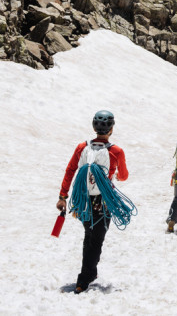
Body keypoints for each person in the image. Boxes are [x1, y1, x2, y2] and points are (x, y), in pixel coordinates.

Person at [56, 110, 129, 294]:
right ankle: (84, 279)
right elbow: (124, 175)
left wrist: (63, 196)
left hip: (83, 201)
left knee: (89, 235)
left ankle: (90, 273)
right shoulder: (116, 151)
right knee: (96, 240)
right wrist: (118, 176)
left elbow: (70, 170)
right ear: (111, 130)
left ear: (93, 127)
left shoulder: (82, 147)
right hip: (103, 201)